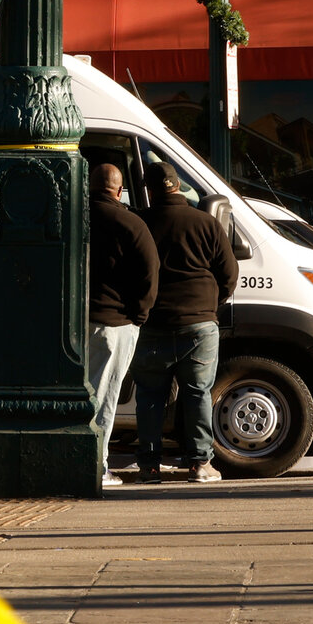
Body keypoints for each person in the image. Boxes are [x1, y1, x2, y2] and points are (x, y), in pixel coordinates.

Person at [135, 159, 239, 482]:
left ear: (149, 192)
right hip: (199, 324)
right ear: (178, 185)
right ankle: (199, 464)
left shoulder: (140, 223)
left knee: (150, 395)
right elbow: (229, 274)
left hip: (152, 323)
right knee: (197, 393)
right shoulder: (206, 223)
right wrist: (210, 304)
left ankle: (149, 467)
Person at [87, 162, 158, 475]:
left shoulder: (74, 217)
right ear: (118, 190)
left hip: (74, 324)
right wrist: (139, 315)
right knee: (104, 397)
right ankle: (95, 466)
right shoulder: (131, 222)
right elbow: (150, 272)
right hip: (116, 323)